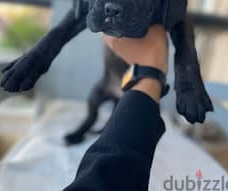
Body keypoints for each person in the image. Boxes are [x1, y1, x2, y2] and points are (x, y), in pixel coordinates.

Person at [64, 25, 168, 191]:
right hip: (115, 82)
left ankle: (97, 126)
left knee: (118, 116)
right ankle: (86, 126)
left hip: (129, 85)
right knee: (94, 112)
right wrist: (151, 74)